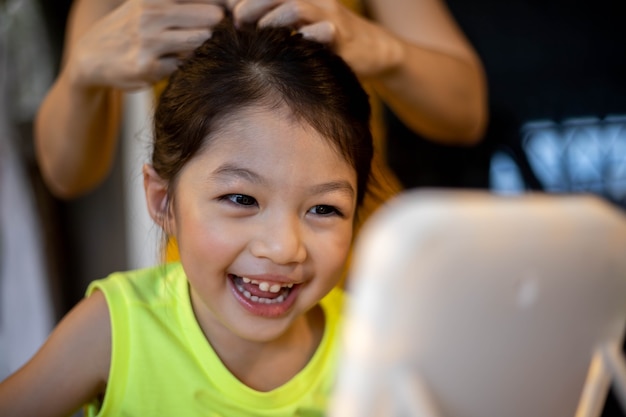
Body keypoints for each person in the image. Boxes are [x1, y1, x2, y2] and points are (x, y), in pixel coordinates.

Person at [0, 19, 375, 416]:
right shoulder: (116, 328)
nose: (283, 248)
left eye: (323, 209)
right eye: (241, 199)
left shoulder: (372, 343)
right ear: (164, 201)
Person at [35, 0, 487, 200]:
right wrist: (82, 73)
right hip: (217, 269)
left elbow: (466, 114)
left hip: (363, 258)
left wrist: (379, 47)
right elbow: (67, 174)